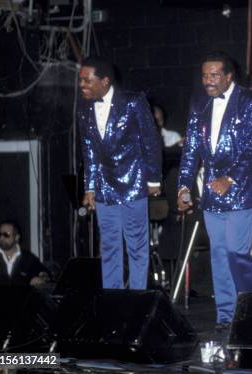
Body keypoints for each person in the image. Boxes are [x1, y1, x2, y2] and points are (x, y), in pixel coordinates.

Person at [177, 51, 252, 330]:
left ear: (229, 76)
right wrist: (184, 184)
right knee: (218, 254)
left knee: (237, 254)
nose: (208, 80)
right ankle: (226, 317)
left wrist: (230, 178)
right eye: (205, 75)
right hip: (211, 193)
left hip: (241, 190)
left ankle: (251, 312)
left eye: (214, 75)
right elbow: (192, 148)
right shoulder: (199, 102)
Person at [78, 57, 162, 290]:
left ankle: (135, 298)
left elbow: (151, 141)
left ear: (104, 81)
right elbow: (89, 151)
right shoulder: (85, 108)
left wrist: (153, 179)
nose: (81, 85)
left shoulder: (133, 102)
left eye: (87, 80)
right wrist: (90, 187)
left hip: (134, 183)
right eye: (80, 80)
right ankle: (113, 298)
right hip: (105, 186)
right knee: (110, 245)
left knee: (136, 245)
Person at [0, 221, 49, 288]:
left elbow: (44, 273)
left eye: (6, 235)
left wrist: (42, 278)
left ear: (17, 237)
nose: (1, 238)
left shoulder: (28, 258)